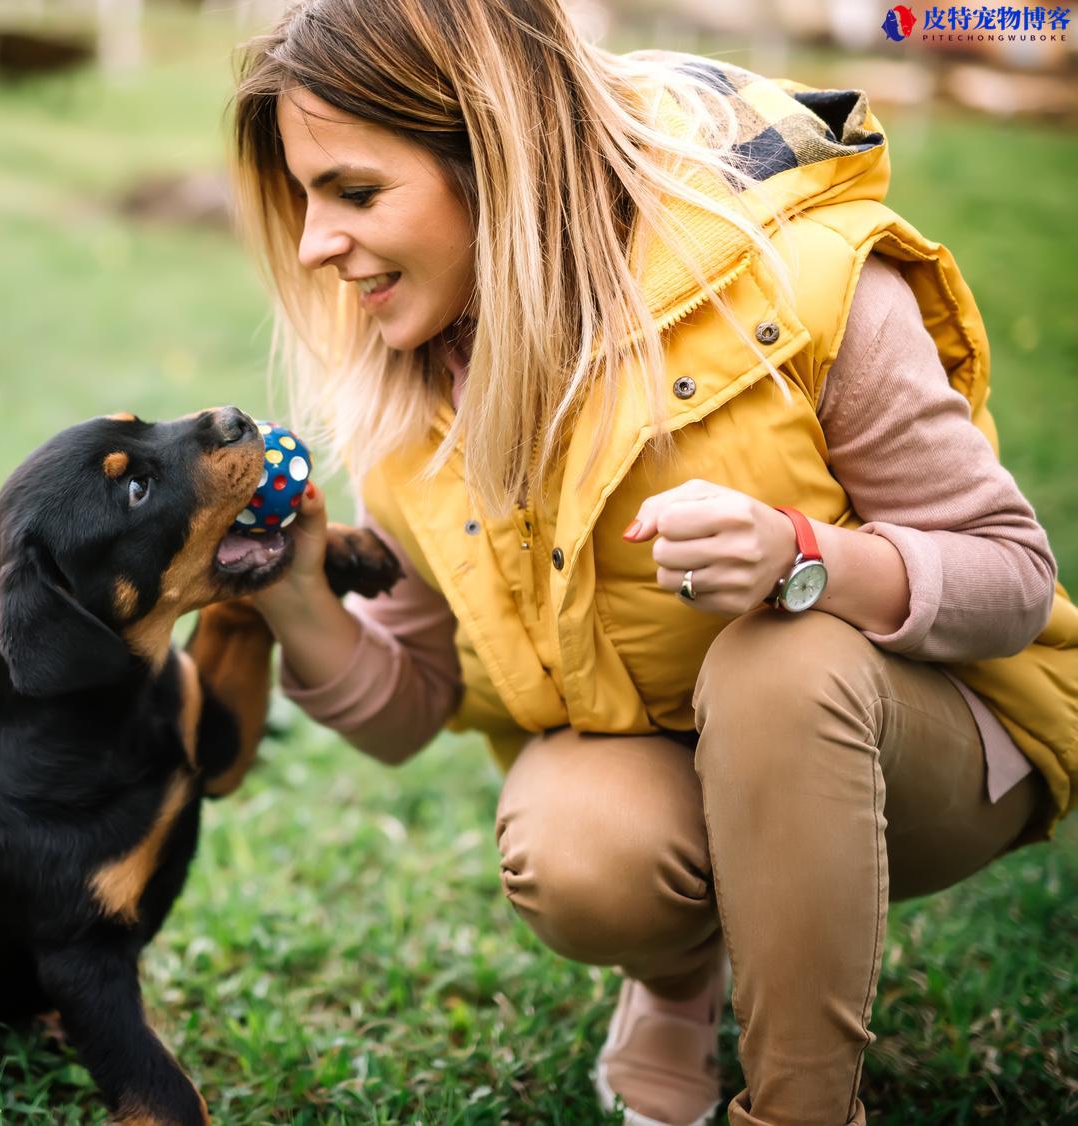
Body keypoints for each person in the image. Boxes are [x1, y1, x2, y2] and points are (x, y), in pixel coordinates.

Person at [226, 2, 1077, 1123]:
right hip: (676, 753)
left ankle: (798, 1108)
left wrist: (800, 559)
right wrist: (296, 597)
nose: (312, 247)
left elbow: (1011, 579)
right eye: (302, 198)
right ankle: (681, 976)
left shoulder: (799, 285)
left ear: (494, 154)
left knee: (775, 667)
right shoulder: (411, 394)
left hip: (941, 739)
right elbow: (413, 702)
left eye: (352, 191)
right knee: (580, 850)